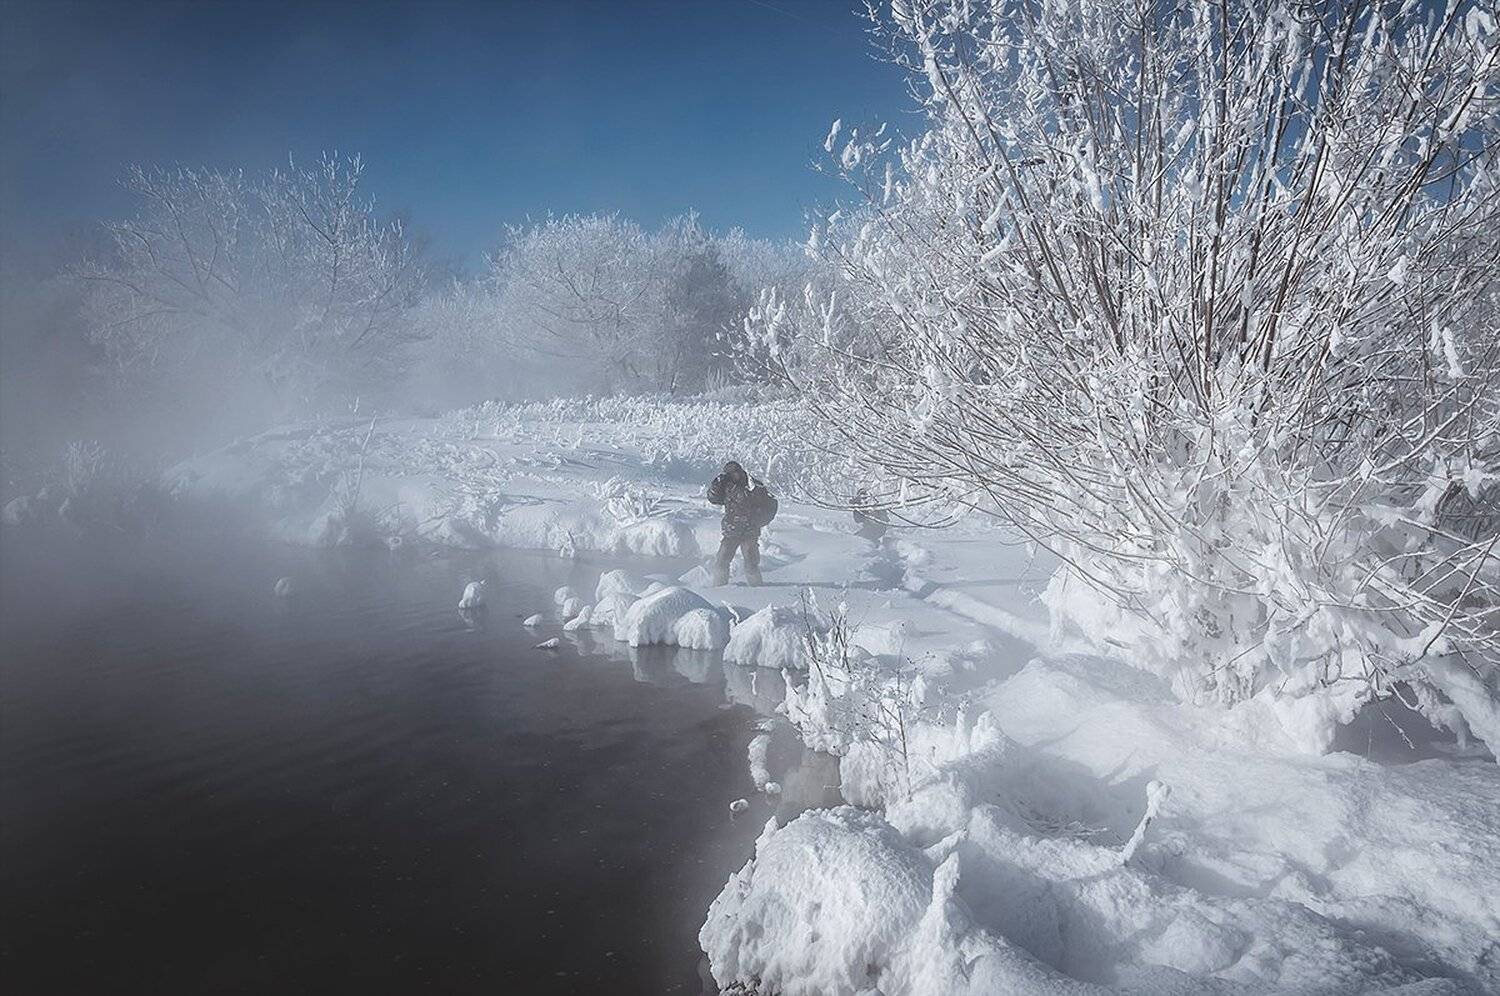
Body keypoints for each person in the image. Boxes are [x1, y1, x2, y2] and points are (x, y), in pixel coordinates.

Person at [707, 460, 777, 586]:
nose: (733, 476)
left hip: (749, 532)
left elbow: (770, 504)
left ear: (740, 471)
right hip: (731, 531)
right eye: (729, 473)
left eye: (735, 472)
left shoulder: (753, 486)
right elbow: (713, 498)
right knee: (721, 562)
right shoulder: (726, 486)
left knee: (751, 564)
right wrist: (716, 485)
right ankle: (718, 589)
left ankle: (758, 590)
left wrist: (758, 521)